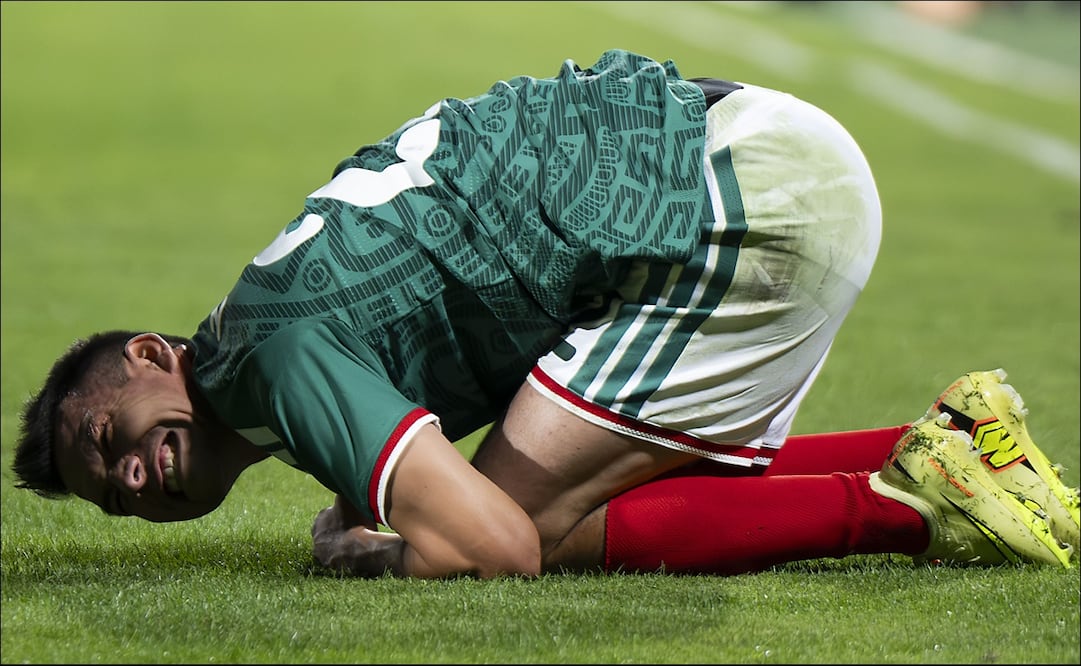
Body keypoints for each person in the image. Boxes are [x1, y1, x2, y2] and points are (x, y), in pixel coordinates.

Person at [12, 49, 1078, 579]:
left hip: (738, 204)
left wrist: (385, 550)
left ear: (153, 354)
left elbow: (495, 547)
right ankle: (938, 445)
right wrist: (371, 498)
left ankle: (915, 505)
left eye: (104, 438)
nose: (128, 475)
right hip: (746, 158)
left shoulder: (272, 360)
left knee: (539, 528)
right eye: (110, 492)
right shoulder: (258, 334)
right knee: (571, 466)